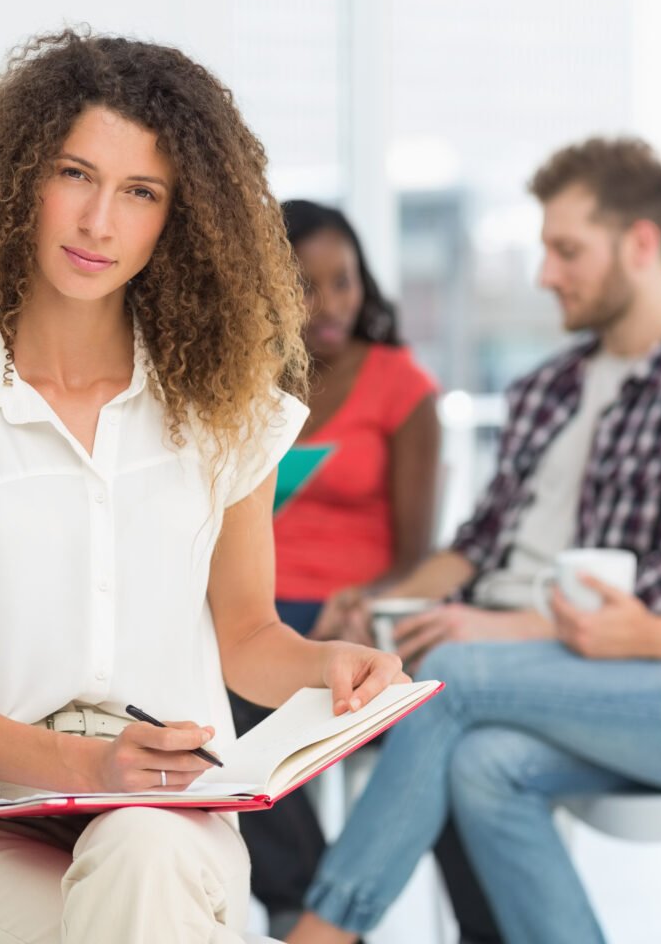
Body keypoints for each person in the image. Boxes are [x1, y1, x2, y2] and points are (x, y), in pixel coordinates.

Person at [0, 29, 405, 944]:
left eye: (141, 192)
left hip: (169, 807)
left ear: (180, 219)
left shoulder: (221, 408)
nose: (100, 222)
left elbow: (249, 636)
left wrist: (323, 667)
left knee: (141, 859)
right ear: (19, 179)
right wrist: (83, 764)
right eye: (75, 174)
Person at [286, 173, 661, 944]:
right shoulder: (550, 387)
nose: (544, 272)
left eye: (566, 250)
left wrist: (643, 635)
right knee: (486, 764)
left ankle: (320, 934)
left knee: (451, 681)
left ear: (639, 246)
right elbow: (478, 543)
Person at [233, 200, 440, 938]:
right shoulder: (246, 381)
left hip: (351, 612)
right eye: (307, 284)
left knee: (238, 683)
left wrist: (362, 603)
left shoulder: (399, 383)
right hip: (255, 601)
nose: (330, 304)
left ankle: (306, 921)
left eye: (344, 281)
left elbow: (419, 550)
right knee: (204, 685)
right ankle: (307, 908)